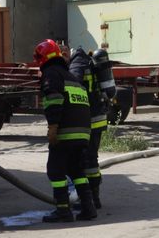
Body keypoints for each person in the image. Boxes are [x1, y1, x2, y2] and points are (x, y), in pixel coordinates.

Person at [34, 39, 97, 223]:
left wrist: (53, 128)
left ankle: (63, 211)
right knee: (76, 170)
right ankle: (88, 208)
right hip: (83, 133)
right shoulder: (70, 76)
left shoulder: (51, 73)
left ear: (44, 56)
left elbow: (54, 100)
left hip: (66, 132)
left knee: (55, 170)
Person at [69, 47, 114, 209]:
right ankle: (95, 198)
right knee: (92, 160)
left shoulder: (77, 64)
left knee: (82, 162)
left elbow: (72, 86)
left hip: (87, 120)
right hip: (99, 119)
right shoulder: (90, 62)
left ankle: (86, 199)